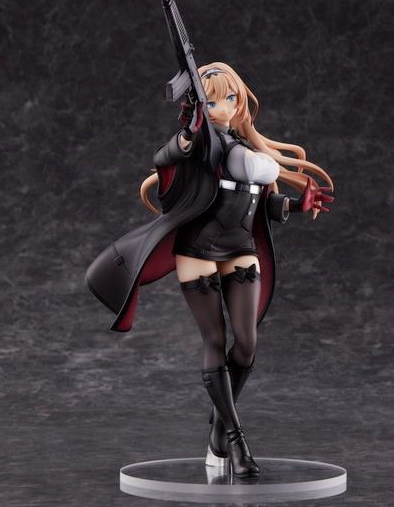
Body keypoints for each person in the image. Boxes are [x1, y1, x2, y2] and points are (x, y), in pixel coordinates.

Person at [86, 61, 334, 478]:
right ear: (200, 106)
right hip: (198, 248)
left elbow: (255, 197)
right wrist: (188, 134)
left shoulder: (242, 146)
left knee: (247, 343)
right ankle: (235, 440)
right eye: (214, 101)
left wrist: (294, 205)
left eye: (230, 98)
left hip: (240, 246)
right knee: (215, 340)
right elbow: (165, 155)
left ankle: (219, 427)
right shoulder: (198, 144)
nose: (224, 107)